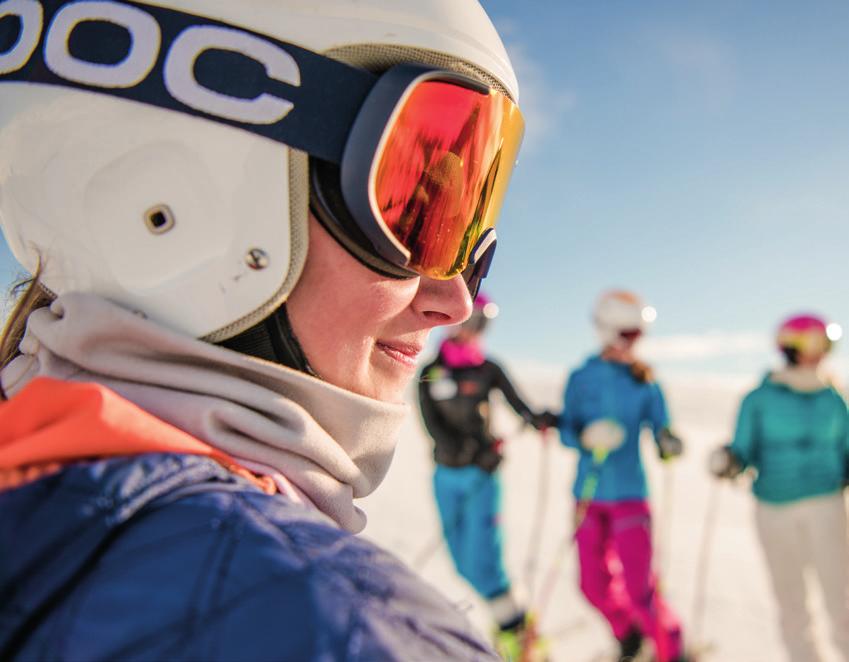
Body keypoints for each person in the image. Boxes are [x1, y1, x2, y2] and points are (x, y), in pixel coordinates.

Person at [0, 1, 526, 659]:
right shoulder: (340, 626)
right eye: (416, 213)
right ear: (174, 196)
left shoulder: (31, 475)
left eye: (468, 234)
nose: (453, 300)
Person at [417, 292, 556, 658]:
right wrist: (457, 450)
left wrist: (537, 419)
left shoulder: (488, 369)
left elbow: (519, 406)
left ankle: (518, 633)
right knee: (462, 563)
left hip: (482, 477)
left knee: (486, 562)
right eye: (473, 320)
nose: (476, 329)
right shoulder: (431, 371)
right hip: (447, 476)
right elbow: (431, 424)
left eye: (483, 323)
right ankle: (511, 619)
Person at [557, 290, 689, 662]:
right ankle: (629, 638)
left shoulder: (644, 379)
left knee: (639, 589)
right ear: (609, 331)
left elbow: (662, 427)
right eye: (630, 334)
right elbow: (567, 427)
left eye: (639, 335)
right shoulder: (581, 377)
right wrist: (584, 436)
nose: (636, 343)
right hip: (588, 493)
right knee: (591, 585)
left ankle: (672, 651)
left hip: (631, 493)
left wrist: (669, 442)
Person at [710, 314, 849, 662]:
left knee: (841, 594)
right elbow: (743, 448)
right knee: (791, 598)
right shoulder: (759, 399)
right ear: (790, 347)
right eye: (813, 345)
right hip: (775, 507)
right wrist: (729, 461)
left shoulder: (834, 398)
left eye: (826, 346)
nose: (821, 354)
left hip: (826, 505)